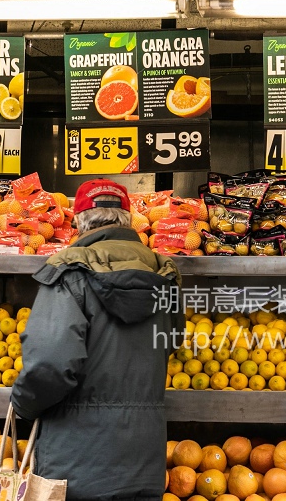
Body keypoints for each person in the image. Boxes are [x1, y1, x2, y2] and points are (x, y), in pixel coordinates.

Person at [11, 179, 183, 501]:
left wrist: (24, 404)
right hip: (144, 462)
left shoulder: (69, 273)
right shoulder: (165, 276)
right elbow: (172, 340)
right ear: (128, 221)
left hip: (78, 465)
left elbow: (49, 363)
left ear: (78, 222)